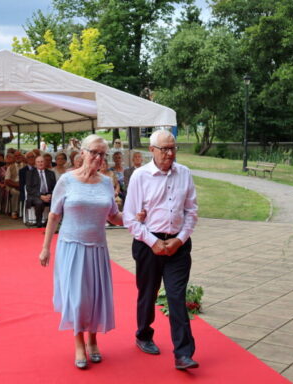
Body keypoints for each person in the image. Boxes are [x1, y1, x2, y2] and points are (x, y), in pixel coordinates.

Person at [39, 134, 124, 369]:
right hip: (72, 247)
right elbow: (54, 215)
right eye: (94, 152)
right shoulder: (67, 180)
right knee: (77, 299)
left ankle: (93, 340)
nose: (98, 157)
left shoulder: (106, 182)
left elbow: (114, 216)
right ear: (83, 152)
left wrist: (135, 217)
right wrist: (45, 248)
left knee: (94, 298)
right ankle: (78, 343)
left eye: (102, 154)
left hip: (97, 249)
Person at [123, 129, 199, 370]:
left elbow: (191, 212)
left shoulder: (184, 173)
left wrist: (180, 239)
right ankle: (143, 334)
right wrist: (152, 241)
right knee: (148, 292)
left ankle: (183, 354)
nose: (170, 153)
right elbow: (129, 218)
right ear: (152, 150)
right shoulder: (140, 176)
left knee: (177, 296)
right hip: (148, 244)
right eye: (164, 149)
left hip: (178, 245)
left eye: (173, 148)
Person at [26, 156, 56, 228]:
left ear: (45, 163)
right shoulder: (30, 173)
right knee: (39, 202)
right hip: (35, 195)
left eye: (42, 162)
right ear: (35, 164)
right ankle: (38, 222)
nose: (40, 163)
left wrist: (50, 194)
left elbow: (55, 187)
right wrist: (40, 196)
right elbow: (29, 188)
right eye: (38, 162)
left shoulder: (51, 173)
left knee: (56, 201)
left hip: (48, 195)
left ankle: (49, 222)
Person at [0, 153, 20, 218]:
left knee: (15, 191)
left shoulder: (16, 167)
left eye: (10, 157)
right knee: (12, 191)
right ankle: (10, 211)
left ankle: (14, 211)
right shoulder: (1, 168)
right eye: (7, 157)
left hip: (13, 185)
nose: (8, 158)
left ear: (14, 159)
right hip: (3, 186)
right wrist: (1, 185)